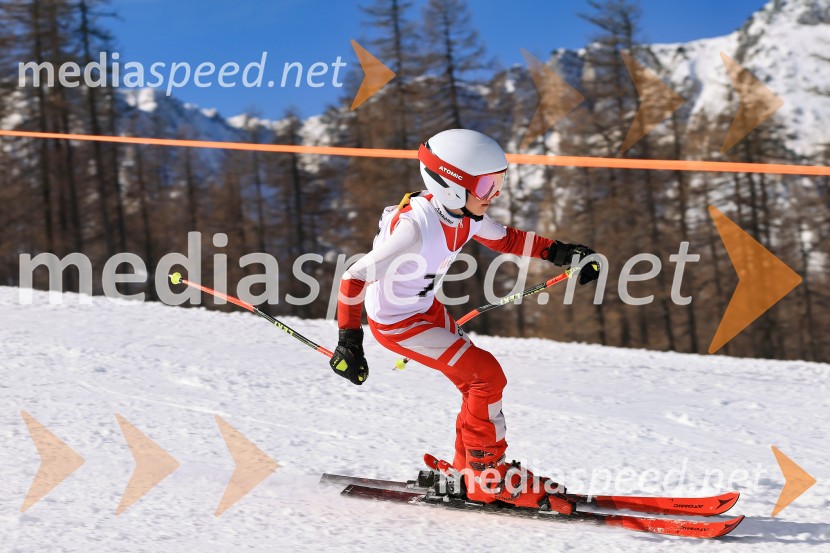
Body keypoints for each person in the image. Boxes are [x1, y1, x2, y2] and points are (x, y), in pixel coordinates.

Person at [329, 129, 600, 511]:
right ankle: (485, 476)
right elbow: (354, 276)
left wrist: (561, 252)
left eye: (499, 183)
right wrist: (349, 340)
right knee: (485, 375)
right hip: (399, 324)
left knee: (477, 382)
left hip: (426, 308)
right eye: (488, 185)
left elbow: (505, 239)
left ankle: (468, 469)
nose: (496, 194)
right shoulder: (415, 228)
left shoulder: (462, 213)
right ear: (452, 186)